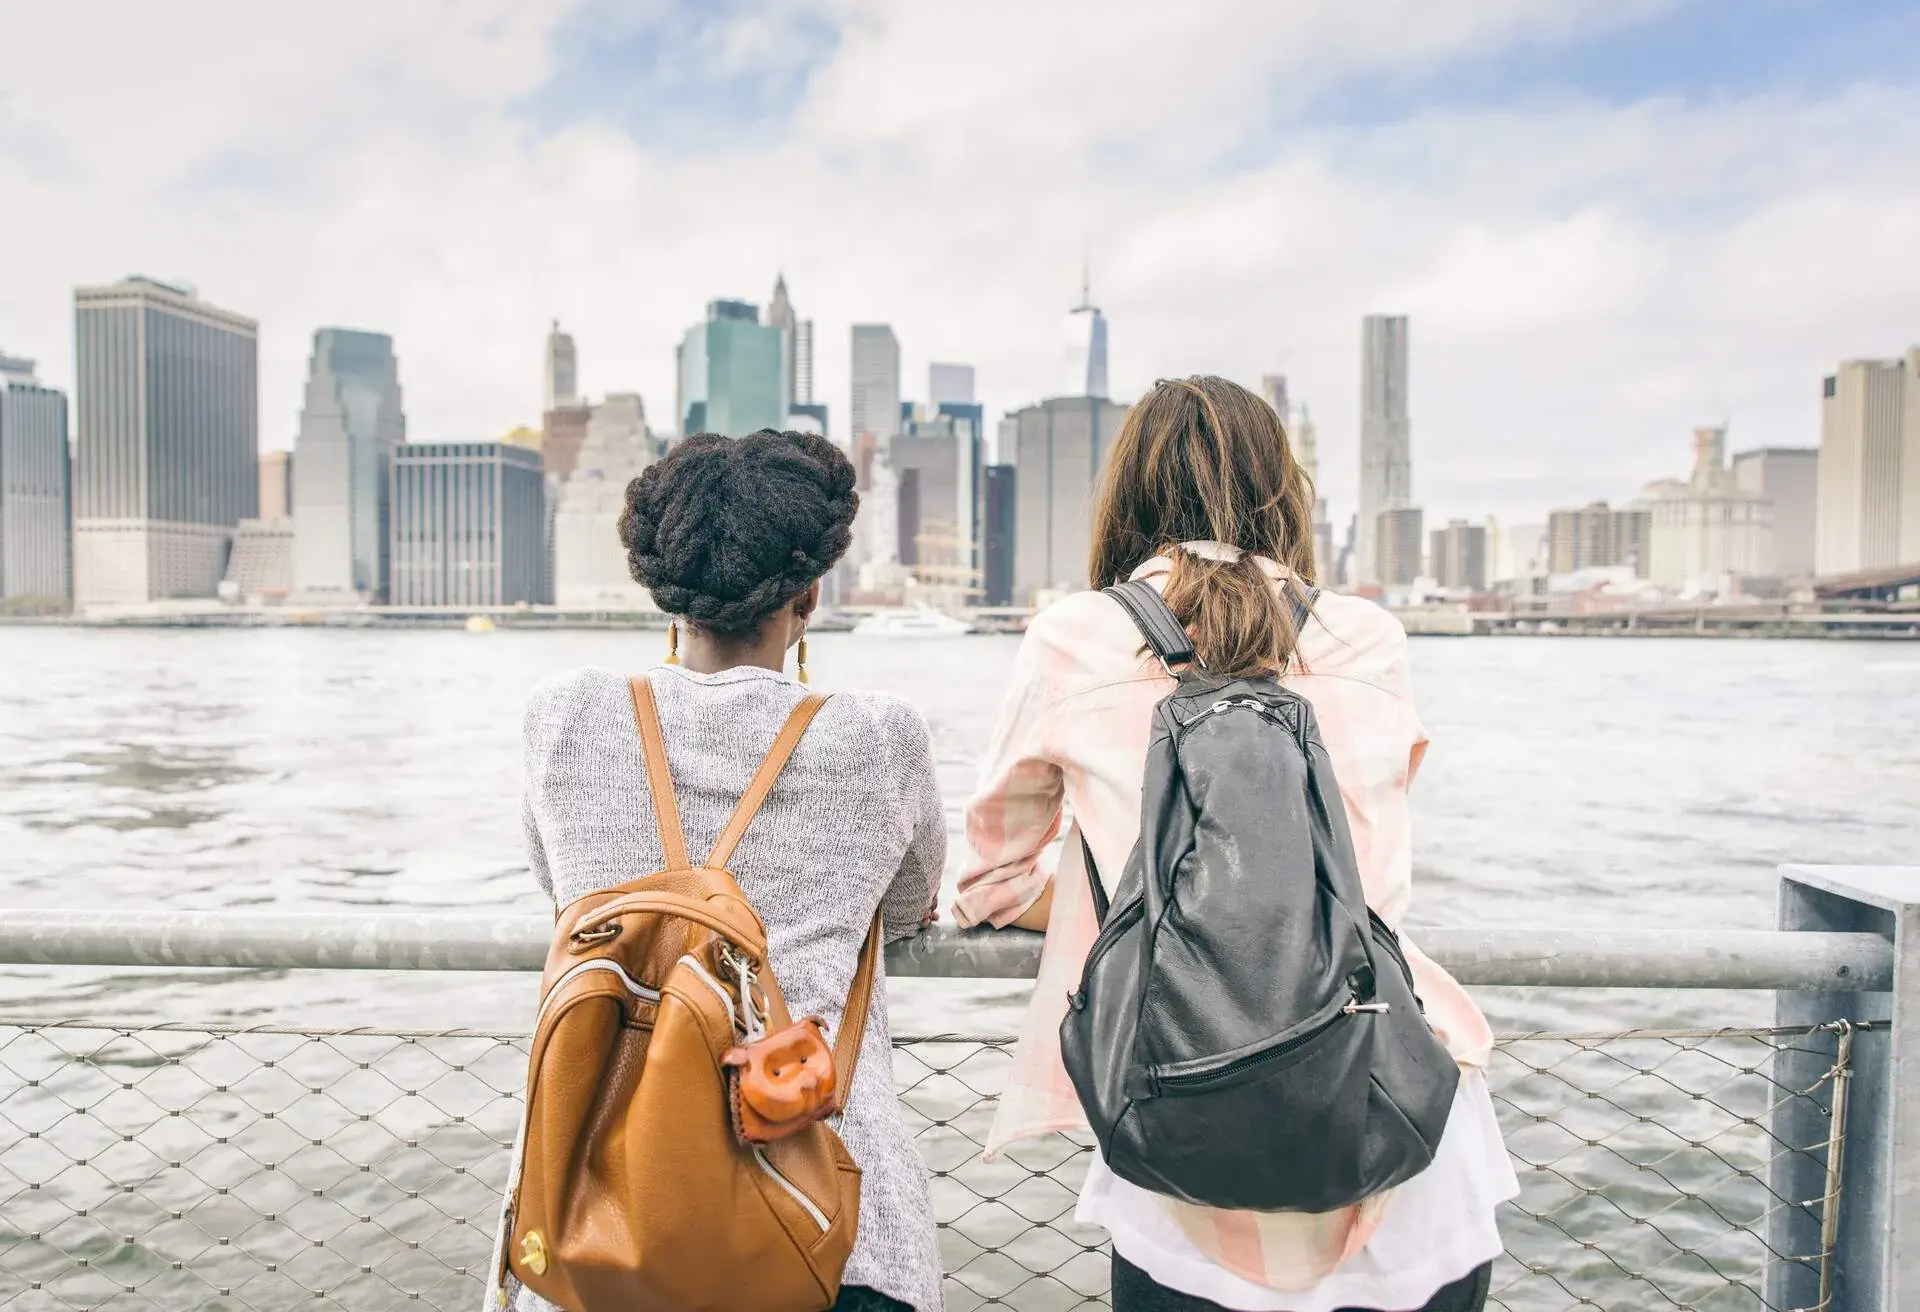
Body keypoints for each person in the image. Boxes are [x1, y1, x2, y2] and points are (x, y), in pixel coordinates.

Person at [954, 377, 1516, 1312]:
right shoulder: (1367, 634)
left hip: (1185, 1134)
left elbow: (991, 881)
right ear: (1281, 490)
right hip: (1403, 1122)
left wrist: (1150, 897)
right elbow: (1362, 872)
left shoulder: (1076, 637)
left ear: (1127, 495)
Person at [493, 429, 945, 1312]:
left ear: (668, 592)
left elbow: (564, 892)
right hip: (827, 1225)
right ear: (809, 591)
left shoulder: (563, 715)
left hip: (600, 1223)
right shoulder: (880, 735)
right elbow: (909, 907)